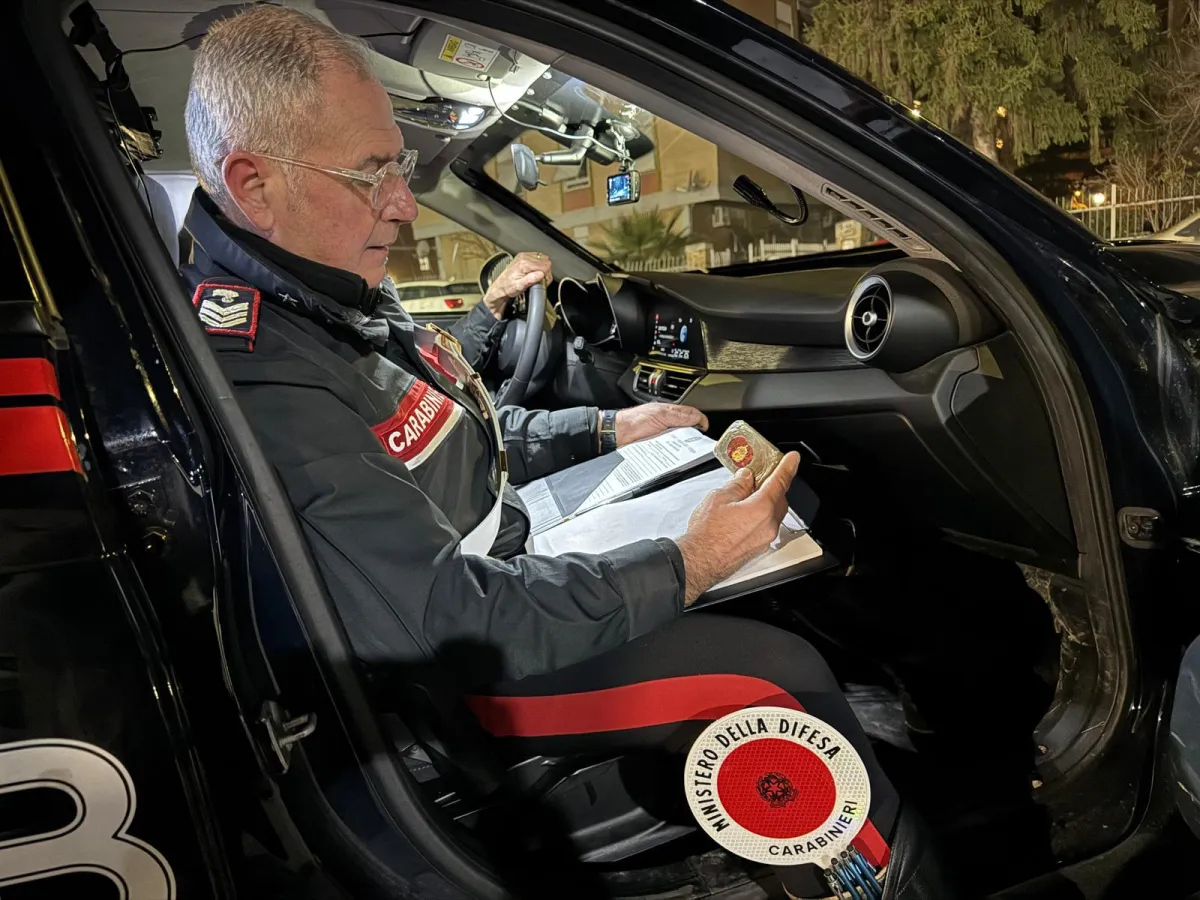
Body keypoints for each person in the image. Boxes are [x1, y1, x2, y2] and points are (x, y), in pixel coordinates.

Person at [179, 7, 948, 896]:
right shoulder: (265, 375)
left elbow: (456, 440)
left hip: (504, 568)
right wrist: (689, 561)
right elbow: (456, 625)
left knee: (754, 517)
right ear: (255, 184)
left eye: (401, 165)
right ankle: (890, 884)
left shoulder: (335, 299)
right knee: (774, 679)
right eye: (371, 173)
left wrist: (608, 429)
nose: (403, 198)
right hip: (462, 690)